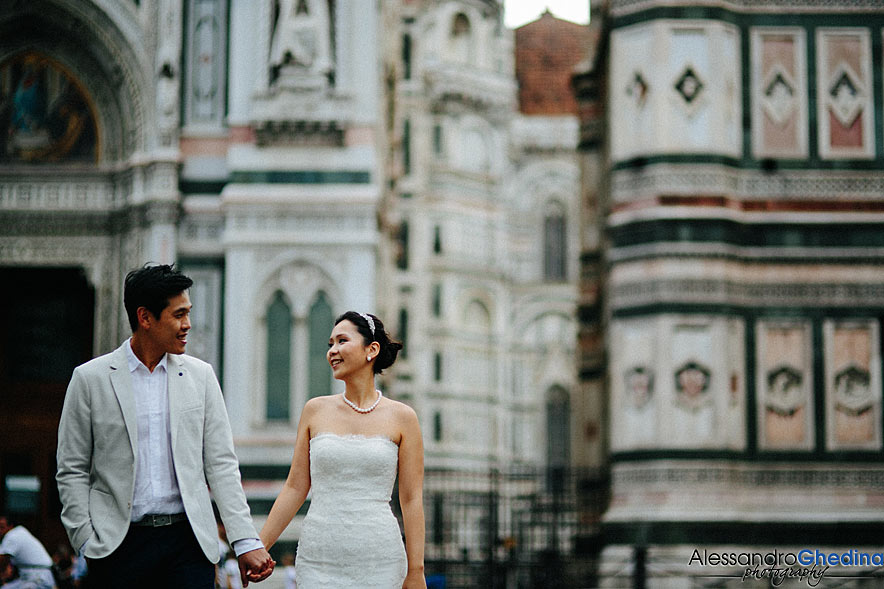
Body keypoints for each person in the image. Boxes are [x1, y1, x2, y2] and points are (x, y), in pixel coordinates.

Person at [56, 264, 275, 588]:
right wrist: (86, 541)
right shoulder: (90, 379)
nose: (188, 325)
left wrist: (245, 541)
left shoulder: (201, 377)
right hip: (117, 547)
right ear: (145, 317)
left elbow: (221, 465)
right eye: (179, 314)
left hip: (187, 544)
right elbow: (71, 469)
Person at [259, 312, 426, 588]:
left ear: (371, 350)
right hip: (319, 559)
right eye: (329, 344)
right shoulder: (315, 410)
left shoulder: (403, 417)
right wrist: (260, 546)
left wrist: (416, 570)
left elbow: (411, 498)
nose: (332, 351)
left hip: (380, 560)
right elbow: (295, 487)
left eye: (342, 341)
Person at [0, 516, 55, 588]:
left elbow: (2, 561)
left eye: (2, 527)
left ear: (10, 526)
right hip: (37, 577)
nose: (0, 530)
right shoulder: (20, 531)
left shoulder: (11, 536)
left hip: (38, 578)